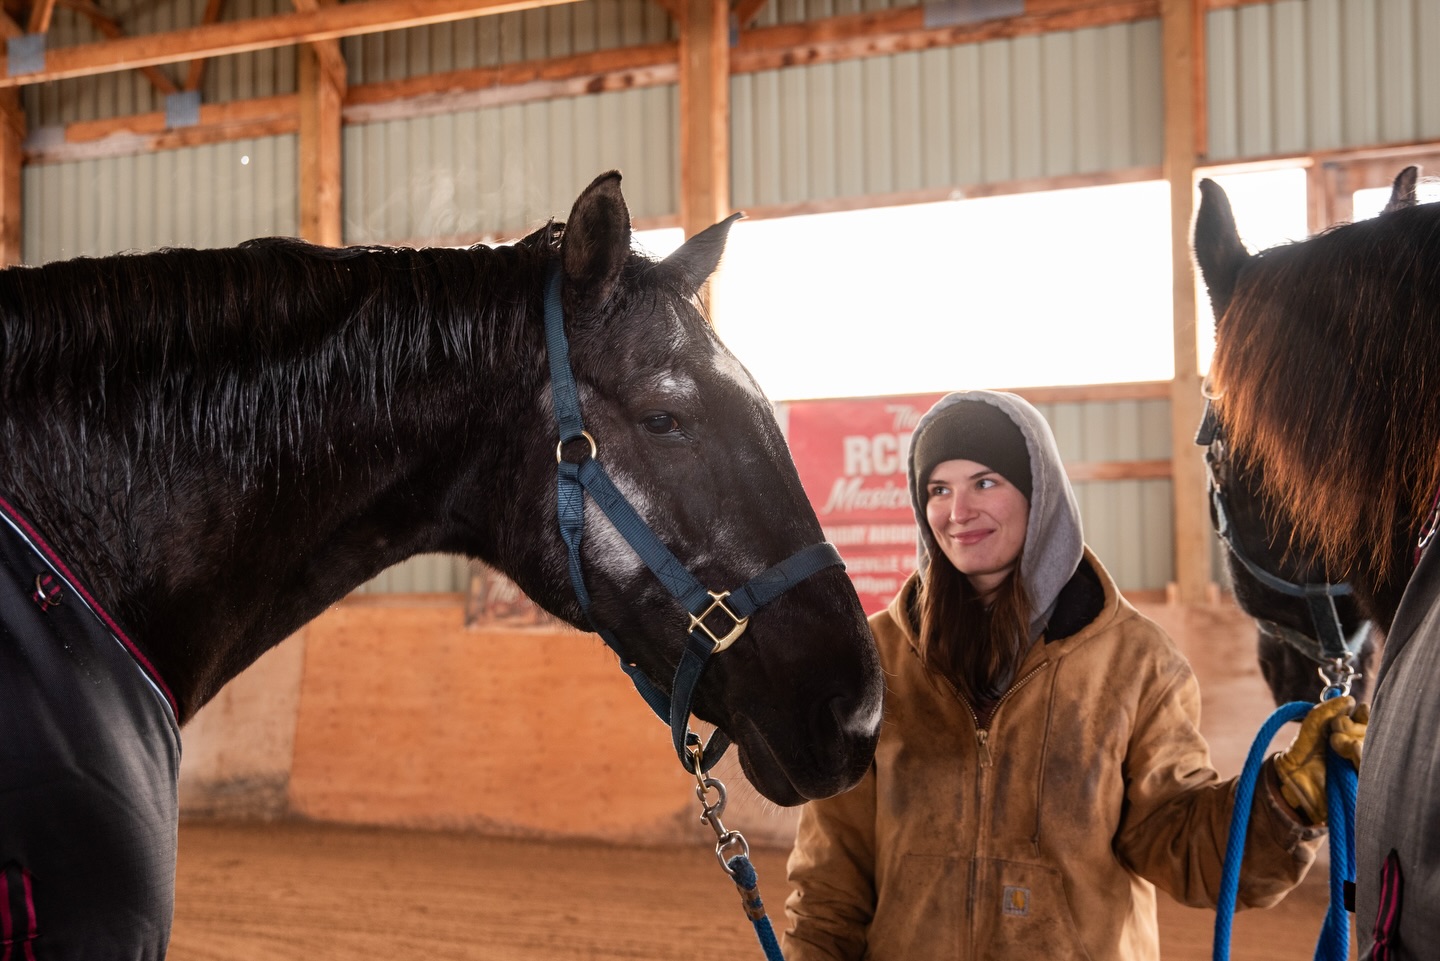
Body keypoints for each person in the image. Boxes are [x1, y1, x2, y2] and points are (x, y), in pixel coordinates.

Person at [783, 389, 1367, 961]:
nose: (958, 513)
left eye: (985, 482)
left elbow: (1181, 844)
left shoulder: (1135, 661)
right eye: (939, 489)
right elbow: (833, 872)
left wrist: (1286, 801)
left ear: (1039, 493)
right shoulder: (878, 658)